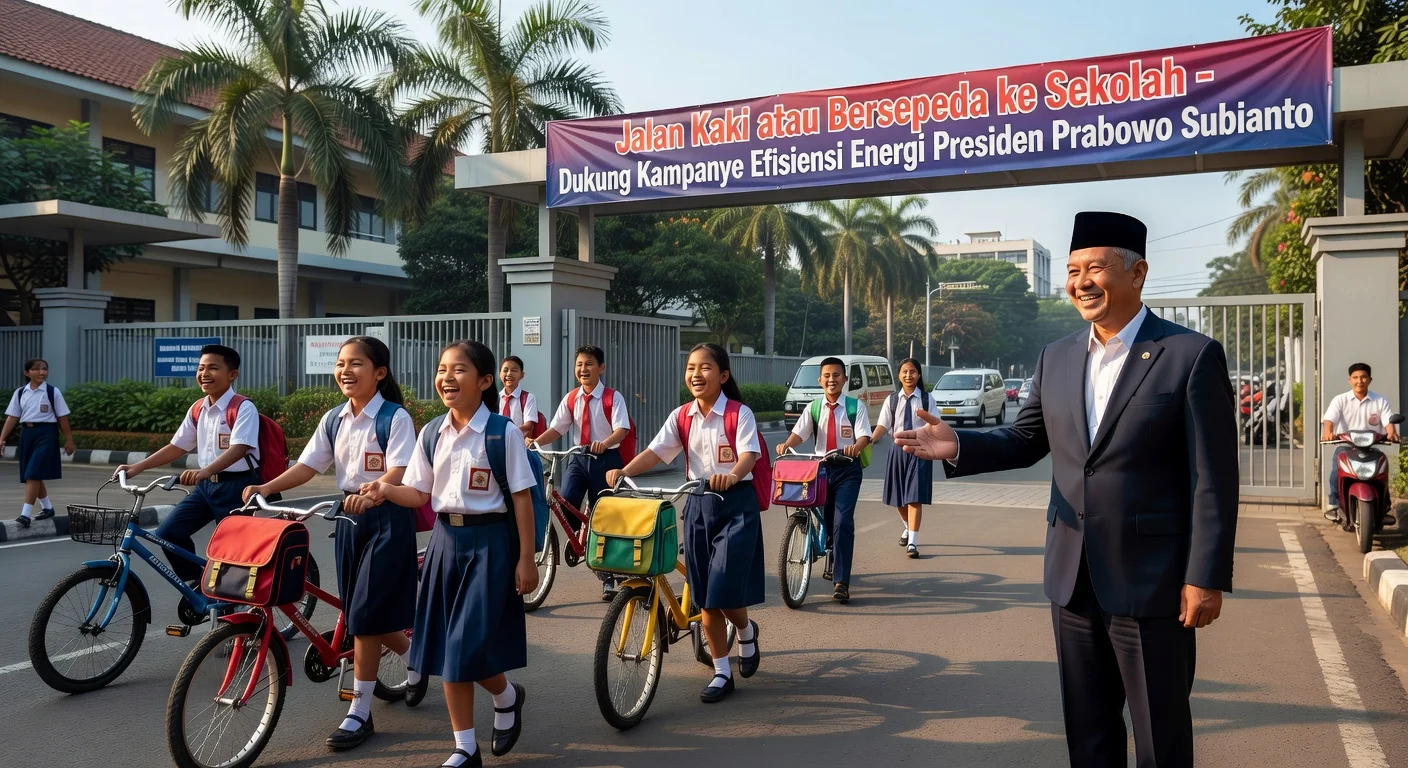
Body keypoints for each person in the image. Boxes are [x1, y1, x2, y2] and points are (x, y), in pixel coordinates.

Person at [894, 211, 1238, 768]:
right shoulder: (1056, 356)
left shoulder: (1189, 355)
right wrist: (959, 445)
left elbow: (1213, 478)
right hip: (1072, 580)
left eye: (1095, 269)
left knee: (1161, 736)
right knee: (1088, 734)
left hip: (1152, 583)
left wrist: (1205, 576)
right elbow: (1027, 438)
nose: (1081, 282)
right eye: (1073, 271)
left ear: (1137, 274)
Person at [364, 340, 536, 768]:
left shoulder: (502, 433)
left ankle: (503, 700)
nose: (446, 377)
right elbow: (418, 493)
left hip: (491, 545)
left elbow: (521, 499)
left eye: (459, 370)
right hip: (445, 543)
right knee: (448, 649)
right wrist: (385, 489)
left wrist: (526, 558)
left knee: (464, 647)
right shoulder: (431, 433)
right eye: (442, 369)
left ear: (485, 381)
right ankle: (468, 743)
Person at [243, 336, 418, 749]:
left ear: (379, 373)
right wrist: (265, 488)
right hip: (348, 517)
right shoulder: (334, 418)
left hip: (387, 517)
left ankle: (359, 712)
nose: (345, 370)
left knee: (363, 615)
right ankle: (415, 660)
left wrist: (374, 490)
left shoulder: (394, 417)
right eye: (341, 363)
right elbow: (308, 466)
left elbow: (400, 469)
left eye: (356, 363)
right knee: (364, 612)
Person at [607, 343, 763, 703]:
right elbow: (656, 452)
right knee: (705, 596)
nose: (696, 374)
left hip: (735, 504)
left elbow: (749, 455)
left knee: (722, 588)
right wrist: (624, 472)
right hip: (697, 505)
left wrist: (732, 475)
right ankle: (722, 672)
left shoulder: (739, 413)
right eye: (691, 367)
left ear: (723, 375)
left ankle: (745, 630)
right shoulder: (682, 416)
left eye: (705, 367)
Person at [115, 344, 264, 585]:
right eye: (201, 368)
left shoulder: (243, 407)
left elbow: (240, 448)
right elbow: (177, 447)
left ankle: (242, 601)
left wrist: (205, 471)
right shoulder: (198, 409)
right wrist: (136, 468)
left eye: (213, 368)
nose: (204, 374)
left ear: (232, 374)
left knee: (234, 552)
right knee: (168, 533)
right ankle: (197, 586)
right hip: (206, 489)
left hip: (237, 489)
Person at [530, 344, 630, 600]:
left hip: (605, 459)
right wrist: (536, 443)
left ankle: (607, 577)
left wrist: (604, 443)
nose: (583, 369)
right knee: (565, 500)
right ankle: (579, 537)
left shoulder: (612, 397)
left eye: (589, 364)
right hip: (578, 458)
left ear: (601, 367)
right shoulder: (572, 398)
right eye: (579, 365)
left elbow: (622, 429)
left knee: (603, 516)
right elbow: (557, 429)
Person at [775, 356, 871, 602]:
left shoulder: (855, 407)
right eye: (827, 376)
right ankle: (830, 550)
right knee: (827, 519)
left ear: (845, 379)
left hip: (848, 469)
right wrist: (786, 444)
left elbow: (864, 436)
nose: (831, 380)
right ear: (820, 380)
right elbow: (799, 433)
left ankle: (841, 582)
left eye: (836, 375)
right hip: (821, 469)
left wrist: (855, 448)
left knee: (842, 521)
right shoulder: (814, 408)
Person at [870, 357, 933, 559]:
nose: (908, 375)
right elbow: (882, 425)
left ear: (919, 374)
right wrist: (869, 440)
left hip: (920, 450)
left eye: (912, 371)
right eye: (904, 372)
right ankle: (907, 526)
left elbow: (935, 424)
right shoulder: (892, 400)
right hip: (897, 450)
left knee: (914, 496)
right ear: (899, 375)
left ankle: (913, 542)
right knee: (898, 498)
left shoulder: (927, 399)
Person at [2, 359, 75, 528]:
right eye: (37, 369)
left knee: (33, 472)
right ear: (27, 373)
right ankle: (47, 508)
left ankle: (25, 515)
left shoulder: (52, 392)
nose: (42, 372)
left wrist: (69, 440)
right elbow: (13, 416)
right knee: (32, 472)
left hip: (47, 434)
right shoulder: (20, 392)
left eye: (45, 369)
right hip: (27, 434)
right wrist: (2, 438)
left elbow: (62, 418)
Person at [1321, 362, 1398, 522]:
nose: (1359, 381)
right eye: (1355, 377)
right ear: (1349, 380)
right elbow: (1329, 420)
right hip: (1346, 445)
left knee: (1382, 469)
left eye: (1363, 377)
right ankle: (1334, 505)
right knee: (1336, 470)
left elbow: (1388, 422)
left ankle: (1384, 506)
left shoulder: (1380, 400)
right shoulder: (1340, 400)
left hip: (1371, 446)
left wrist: (1392, 432)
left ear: (1369, 379)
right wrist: (1328, 432)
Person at [498, 356, 540, 441]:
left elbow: (529, 425)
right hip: (497, 443)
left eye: (514, 370)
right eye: (505, 370)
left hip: (518, 443)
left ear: (522, 375)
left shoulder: (528, 398)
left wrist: (508, 434)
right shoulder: (495, 399)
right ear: (500, 374)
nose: (509, 374)